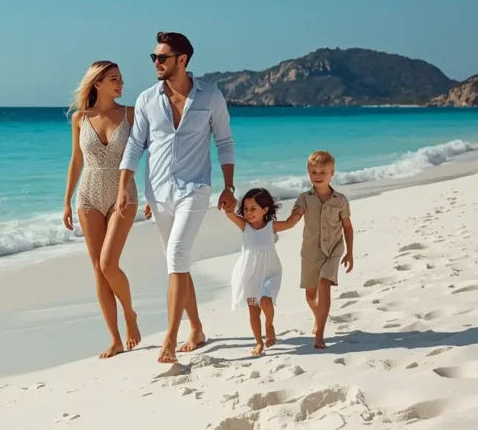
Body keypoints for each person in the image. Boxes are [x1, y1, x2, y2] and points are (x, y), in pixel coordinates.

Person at [118, 31, 237, 364]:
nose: (156, 62)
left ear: (182, 60)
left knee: (177, 255)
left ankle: (169, 339)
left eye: (162, 57)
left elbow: (224, 142)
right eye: (154, 57)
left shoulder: (211, 97)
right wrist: (123, 188)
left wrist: (229, 187)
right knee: (177, 264)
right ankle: (197, 328)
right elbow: (134, 146)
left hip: (195, 188)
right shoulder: (145, 100)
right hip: (158, 194)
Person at [63, 61, 141, 359]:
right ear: (97, 83)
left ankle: (130, 314)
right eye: (113, 79)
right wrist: (67, 200)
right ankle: (115, 339)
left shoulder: (131, 115)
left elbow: (153, 150)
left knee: (109, 264)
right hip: (89, 195)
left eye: (121, 79)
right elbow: (76, 161)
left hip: (124, 193)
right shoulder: (80, 118)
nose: (120, 84)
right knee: (98, 269)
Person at [223, 188, 300, 356]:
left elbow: (289, 223)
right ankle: (258, 342)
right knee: (253, 311)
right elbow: (229, 213)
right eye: (245, 209)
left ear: (265, 210)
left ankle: (269, 324)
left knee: (266, 300)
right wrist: (227, 200)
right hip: (250, 274)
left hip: (271, 271)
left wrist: (299, 210)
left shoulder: (271, 226)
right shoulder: (245, 226)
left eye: (253, 209)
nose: (248, 213)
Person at [292, 150, 355, 349]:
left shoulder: (341, 200)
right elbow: (292, 220)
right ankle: (318, 318)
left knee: (324, 283)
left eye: (322, 172)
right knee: (311, 295)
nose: (317, 175)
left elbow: (347, 226)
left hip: (334, 250)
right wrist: (268, 227)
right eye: (313, 172)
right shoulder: (303, 199)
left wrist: (350, 252)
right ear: (308, 173)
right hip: (311, 251)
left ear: (332, 173)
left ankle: (319, 333)